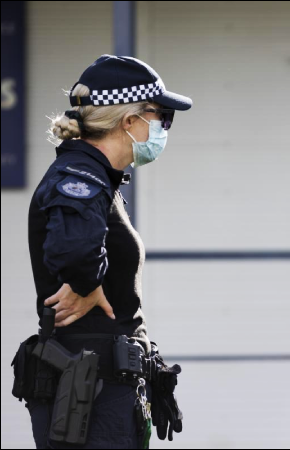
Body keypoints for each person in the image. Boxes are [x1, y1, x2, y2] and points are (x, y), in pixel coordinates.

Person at [23, 54, 192, 449]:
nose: (164, 127)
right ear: (129, 121)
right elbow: (75, 252)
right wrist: (87, 283)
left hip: (103, 384)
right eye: (161, 116)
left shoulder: (99, 177)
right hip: (88, 391)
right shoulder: (80, 175)